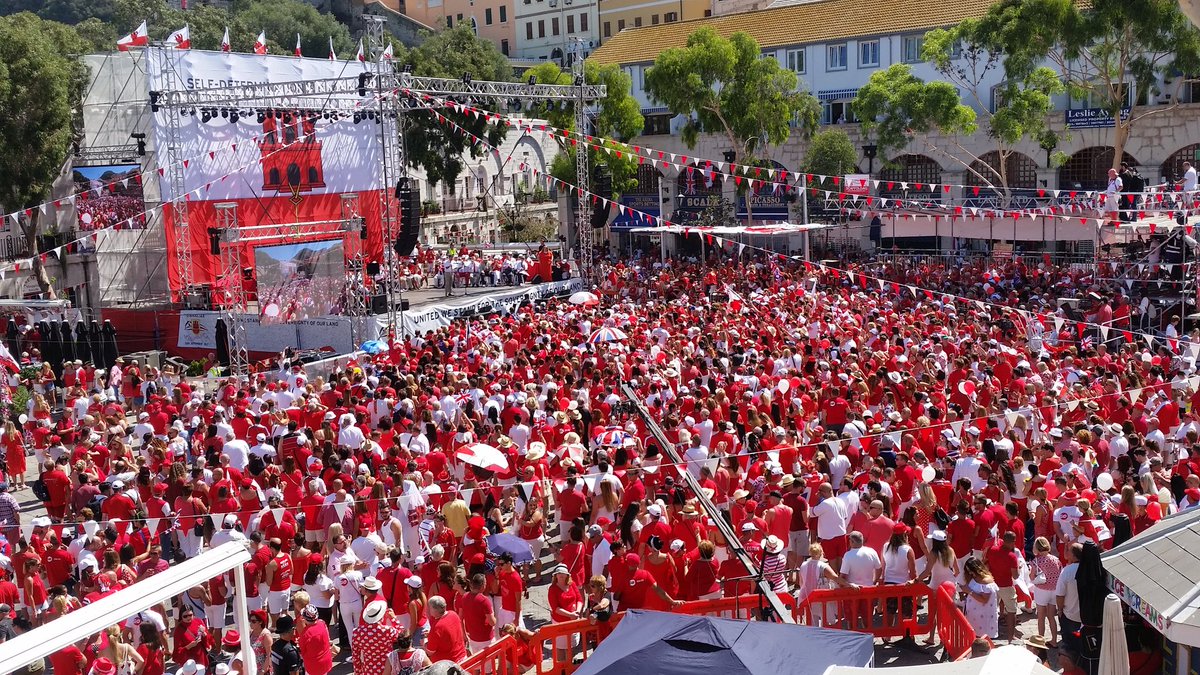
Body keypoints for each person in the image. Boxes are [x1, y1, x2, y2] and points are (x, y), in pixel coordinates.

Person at [796, 542, 853, 626]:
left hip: (807, 597)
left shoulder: (803, 565)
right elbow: (835, 578)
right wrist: (849, 585)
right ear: (821, 553)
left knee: (812, 621)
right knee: (825, 620)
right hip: (820, 597)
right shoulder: (823, 566)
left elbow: (801, 582)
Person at [984, 530, 1021, 642]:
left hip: (993, 584)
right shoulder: (1012, 557)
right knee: (1011, 611)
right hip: (1006, 586)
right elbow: (1015, 576)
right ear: (1013, 542)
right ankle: (1011, 637)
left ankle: (989, 634)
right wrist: (1019, 567)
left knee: (992, 610)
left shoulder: (992, 550)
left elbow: (986, 564)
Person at [353, 600, 403, 674]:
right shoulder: (387, 630)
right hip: (388, 668)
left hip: (369, 670)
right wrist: (393, 618)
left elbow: (356, 656)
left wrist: (358, 672)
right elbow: (402, 633)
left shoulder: (357, 632)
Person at [1028, 536, 1061, 647]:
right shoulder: (1056, 559)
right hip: (1054, 590)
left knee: (1041, 617)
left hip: (1042, 591)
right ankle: (1054, 641)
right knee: (1051, 617)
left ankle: (1040, 641)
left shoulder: (1036, 561)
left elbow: (1031, 577)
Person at [962, 556, 999, 640]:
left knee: (983, 636)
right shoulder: (973, 577)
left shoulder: (986, 581)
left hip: (984, 614)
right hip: (973, 614)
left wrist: (969, 591)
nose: (970, 573)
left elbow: (984, 600)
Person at [1057, 542, 1083, 654]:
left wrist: (1060, 609)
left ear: (1073, 555)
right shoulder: (1090, 568)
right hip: (1086, 615)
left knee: (1069, 644)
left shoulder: (1067, 571)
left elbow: (1060, 595)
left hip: (1070, 614)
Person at [296, 603, 336, 675]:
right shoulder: (322, 623)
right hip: (326, 661)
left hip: (313, 666)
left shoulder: (306, 634)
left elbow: (302, 651)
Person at [425, 594, 467, 663]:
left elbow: (430, 652)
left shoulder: (437, 627)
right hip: (462, 657)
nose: (428, 610)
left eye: (430, 607)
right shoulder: (453, 614)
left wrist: (424, 643)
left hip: (449, 665)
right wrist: (431, 634)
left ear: (435, 609)